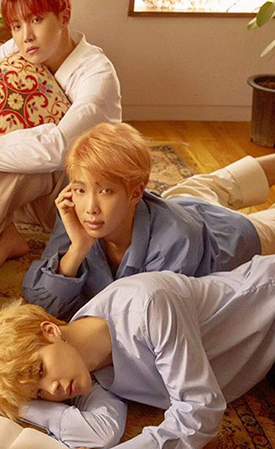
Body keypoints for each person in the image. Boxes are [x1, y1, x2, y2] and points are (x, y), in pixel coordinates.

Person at [0, 255, 275, 449]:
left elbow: (201, 411)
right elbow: (100, 433)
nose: (52, 390)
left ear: (50, 330)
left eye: (40, 370)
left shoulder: (148, 305)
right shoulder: (82, 369)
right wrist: (22, 404)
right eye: (40, 392)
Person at [0, 0, 121, 276]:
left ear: (64, 16)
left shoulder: (97, 74)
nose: (26, 36)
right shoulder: (19, 49)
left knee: (32, 153)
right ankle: (5, 234)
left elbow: (58, 149)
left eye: (36, 20)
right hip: (24, 197)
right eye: (16, 26)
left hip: (77, 201)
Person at [23, 122, 275, 320]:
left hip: (228, 233)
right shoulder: (76, 215)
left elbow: (141, 323)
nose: (90, 208)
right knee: (221, 184)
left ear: (135, 193)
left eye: (105, 191)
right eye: (80, 189)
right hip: (180, 200)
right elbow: (39, 304)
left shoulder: (175, 244)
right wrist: (77, 249)